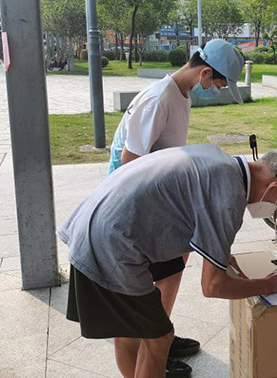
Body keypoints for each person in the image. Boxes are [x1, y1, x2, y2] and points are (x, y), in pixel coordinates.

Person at [58, 145, 277, 378]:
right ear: (274, 188)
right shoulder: (229, 194)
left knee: (131, 329)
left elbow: (189, 207)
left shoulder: (222, 162)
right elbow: (213, 287)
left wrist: (220, 254)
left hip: (95, 225)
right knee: (160, 337)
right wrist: (269, 285)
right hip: (110, 245)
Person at [106, 39, 244, 377]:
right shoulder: (158, 99)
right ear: (206, 72)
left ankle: (160, 337)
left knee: (173, 272)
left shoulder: (179, 96)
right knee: (159, 280)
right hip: (134, 206)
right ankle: (154, 350)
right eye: (219, 84)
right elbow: (130, 163)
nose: (217, 90)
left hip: (157, 202)